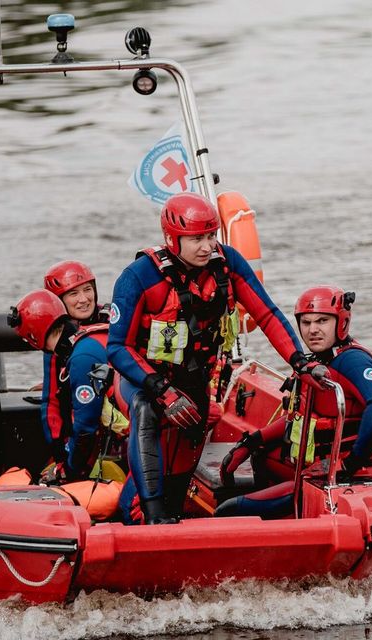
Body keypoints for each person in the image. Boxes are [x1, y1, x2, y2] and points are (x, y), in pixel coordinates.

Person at [107, 192, 317, 525]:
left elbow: (267, 314)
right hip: (141, 382)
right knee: (145, 412)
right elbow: (117, 347)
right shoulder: (138, 277)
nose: (207, 246)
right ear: (171, 239)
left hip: (193, 383)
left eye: (211, 236)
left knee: (177, 482)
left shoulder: (227, 263)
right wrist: (163, 391)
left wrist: (300, 361)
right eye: (197, 239)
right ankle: (152, 519)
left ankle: (172, 521)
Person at [216, 285, 372, 519]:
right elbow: (299, 418)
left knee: (228, 510)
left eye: (322, 321)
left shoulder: (352, 361)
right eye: (306, 322)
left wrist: (348, 465)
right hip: (313, 467)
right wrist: (251, 442)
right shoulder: (315, 365)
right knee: (261, 455)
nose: (313, 330)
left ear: (341, 323)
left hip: (343, 474)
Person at [8, 288, 110, 482]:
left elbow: (85, 428)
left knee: (131, 507)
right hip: (144, 430)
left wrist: (69, 471)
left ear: (32, 336)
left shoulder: (80, 358)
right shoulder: (92, 338)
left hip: (143, 436)